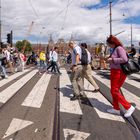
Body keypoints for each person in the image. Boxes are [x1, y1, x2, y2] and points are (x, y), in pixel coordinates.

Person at [105, 35, 135, 118]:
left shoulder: (119, 48)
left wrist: (112, 60)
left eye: (108, 44)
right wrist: (109, 59)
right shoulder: (115, 48)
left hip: (119, 72)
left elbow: (124, 59)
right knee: (114, 90)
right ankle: (116, 109)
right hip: (115, 71)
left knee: (114, 91)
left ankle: (128, 107)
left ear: (113, 43)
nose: (108, 45)